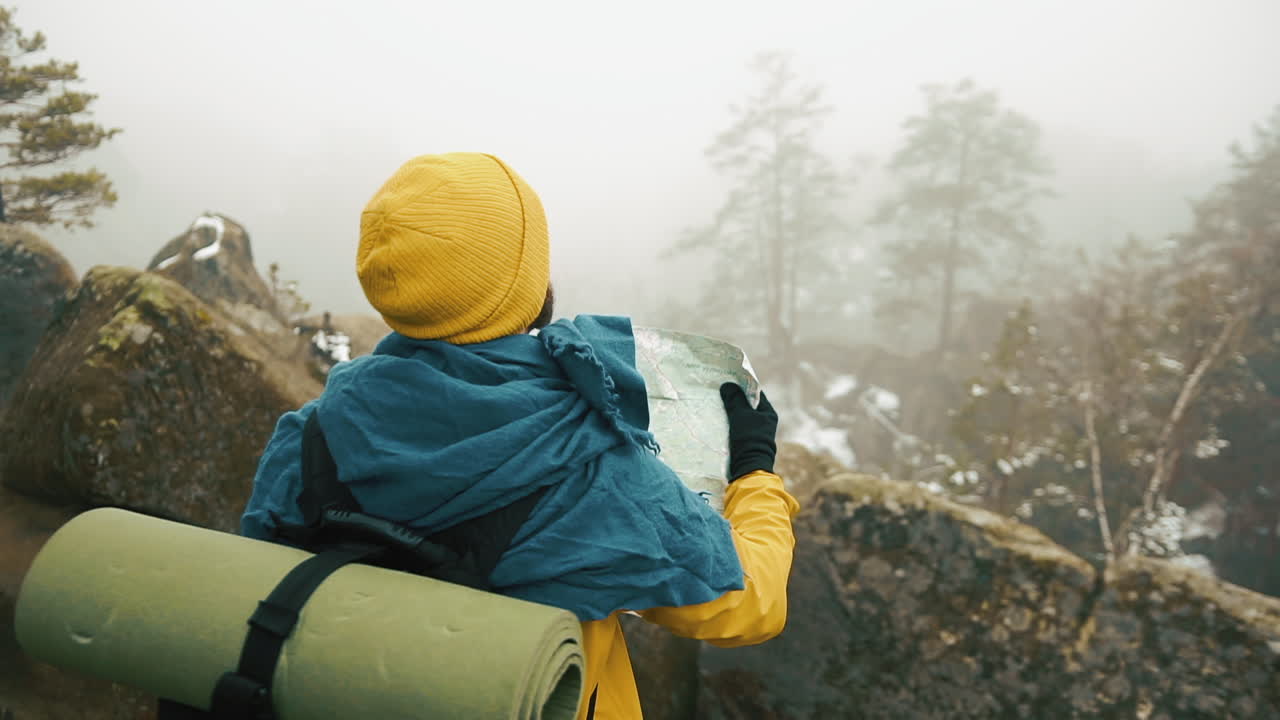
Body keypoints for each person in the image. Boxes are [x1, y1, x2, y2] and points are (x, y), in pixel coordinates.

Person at [240, 152, 800, 719]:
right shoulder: (586, 465)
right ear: (521, 285)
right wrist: (755, 472)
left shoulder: (310, 437)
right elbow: (749, 603)